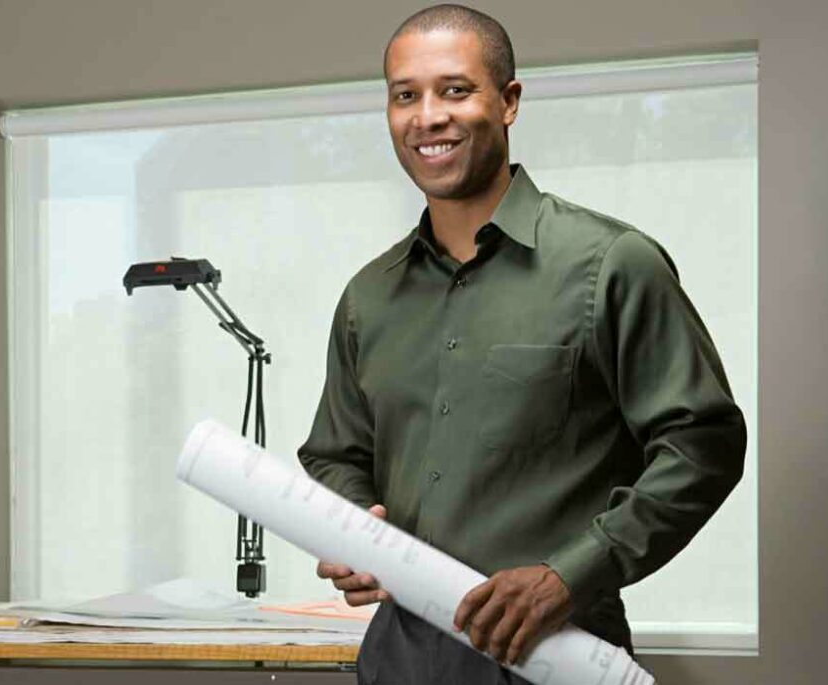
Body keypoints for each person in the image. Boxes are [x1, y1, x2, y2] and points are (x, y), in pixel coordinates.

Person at [297, 4, 747, 684]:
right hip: (396, 663)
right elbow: (335, 454)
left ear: (508, 101)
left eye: (454, 89)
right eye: (404, 95)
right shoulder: (368, 297)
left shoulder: (612, 264)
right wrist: (355, 528)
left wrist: (570, 574)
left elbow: (703, 443)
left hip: (558, 657)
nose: (428, 116)